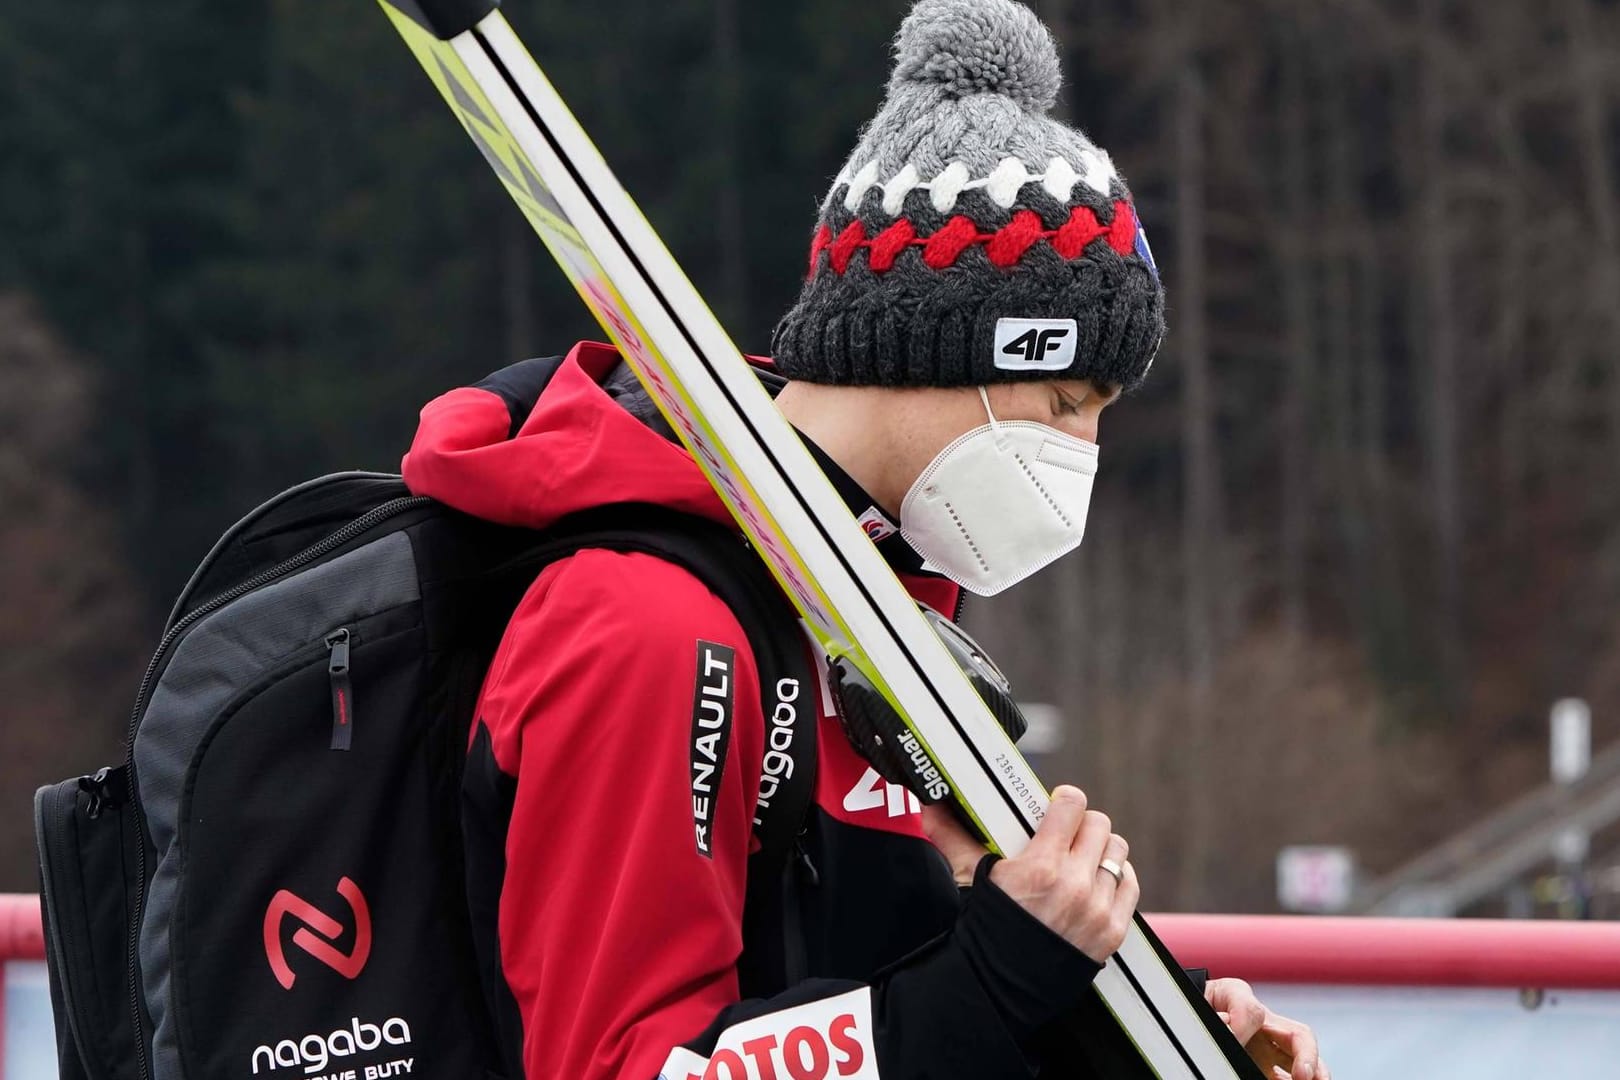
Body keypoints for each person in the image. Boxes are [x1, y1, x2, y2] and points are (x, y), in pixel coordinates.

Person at [401, 1, 1329, 1077]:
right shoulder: (648, 627)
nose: (1083, 455)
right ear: (943, 348)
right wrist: (997, 973)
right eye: (1068, 400)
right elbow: (623, 1063)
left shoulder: (879, 622)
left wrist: (1122, 1035)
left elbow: (885, 995)